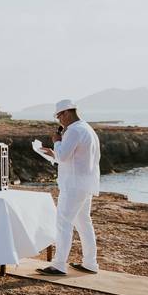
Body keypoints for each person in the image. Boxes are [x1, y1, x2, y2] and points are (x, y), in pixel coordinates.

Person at [37, 99, 101, 276]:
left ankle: (58, 265)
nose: (59, 121)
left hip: (73, 185)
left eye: (59, 116)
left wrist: (57, 141)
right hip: (85, 183)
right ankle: (90, 263)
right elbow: (73, 157)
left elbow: (64, 155)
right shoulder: (87, 129)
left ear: (66, 113)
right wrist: (54, 153)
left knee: (63, 223)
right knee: (83, 223)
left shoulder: (73, 131)